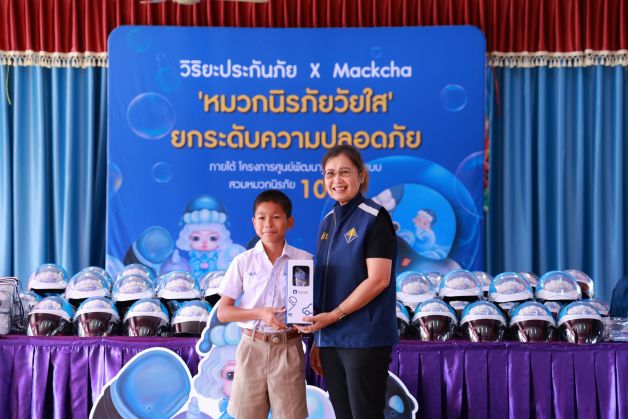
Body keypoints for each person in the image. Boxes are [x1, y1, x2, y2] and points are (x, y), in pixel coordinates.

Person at [295, 145, 398, 419]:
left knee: (365, 414)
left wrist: (334, 316)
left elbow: (378, 280)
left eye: (344, 172)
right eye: (330, 174)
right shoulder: (327, 221)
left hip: (364, 338)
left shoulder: (375, 218)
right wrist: (319, 340)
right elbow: (325, 285)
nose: (336, 180)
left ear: (360, 175)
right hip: (331, 339)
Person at [216, 189, 311, 419]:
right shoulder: (243, 261)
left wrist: (308, 326)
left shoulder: (303, 260)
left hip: (289, 347)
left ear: (290, 221)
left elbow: (311, 307)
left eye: (276, 217)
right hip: (252, 347)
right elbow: (223, 312)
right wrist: (260, 313)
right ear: (253, 222)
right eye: (261, 217)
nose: (268, 224)